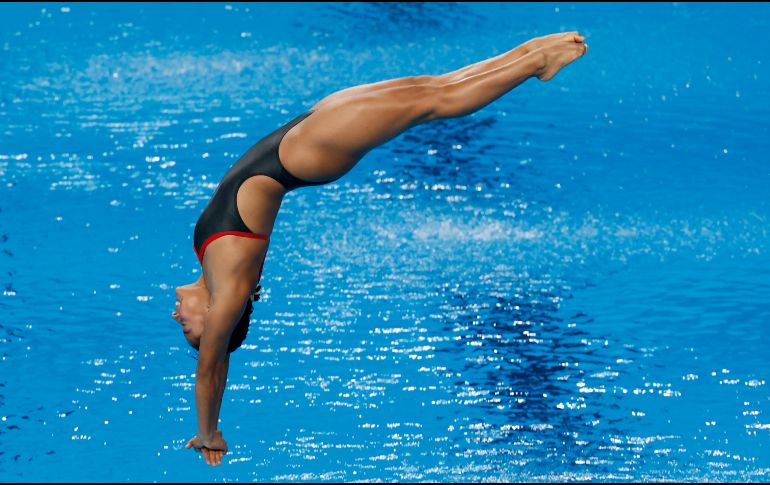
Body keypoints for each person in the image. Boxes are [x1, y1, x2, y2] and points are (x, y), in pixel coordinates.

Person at [173, 32, 588, 466]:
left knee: (435, 88)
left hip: (307, 131)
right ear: (215, 321)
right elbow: (210, 370)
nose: (177, 316)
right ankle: (535, 62)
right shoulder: (230, 291)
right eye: (188, 329)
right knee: (438, 101)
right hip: (310, 149)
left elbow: (212, 362)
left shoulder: (213, 265)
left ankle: (529, 53)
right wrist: (208, 432)